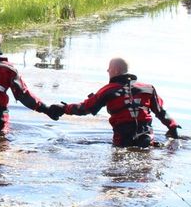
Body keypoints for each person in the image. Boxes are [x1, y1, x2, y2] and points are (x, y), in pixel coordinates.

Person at [48, 57, 181, 148]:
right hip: (146, 140)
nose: (107, 71)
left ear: (116, 71)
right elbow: (161, 112)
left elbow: (85, 108)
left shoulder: (109, 90)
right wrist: (173, 127)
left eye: (109, 68)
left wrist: (63, 108)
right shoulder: (148, 88)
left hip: (122, 141)